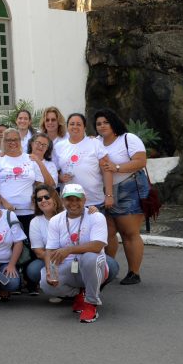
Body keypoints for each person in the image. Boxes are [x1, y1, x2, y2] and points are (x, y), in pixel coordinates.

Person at [41, 184, 113, 323]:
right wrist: (51, 271)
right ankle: (80, 293)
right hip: (69, 267)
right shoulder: (56, 220)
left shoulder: (96, 216)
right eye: (69, 199)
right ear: (62, 200)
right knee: (45, 283)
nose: (73, 203)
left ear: (84, 200)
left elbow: (98, 245)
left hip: (93, 266)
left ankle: (91, 303)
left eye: (77, 199)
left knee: (90, 258)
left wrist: (68, 249)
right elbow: (50, 250)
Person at [95, 108, 149, 285]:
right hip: (106, 190)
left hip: (129, 187)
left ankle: (134, 272)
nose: (102, 126)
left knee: (129, 232)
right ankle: (108, 270)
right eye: (98, 123)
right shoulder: (96, 142)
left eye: (105, 122)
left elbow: (141, 161)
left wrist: (116, 168)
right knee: (108, 232)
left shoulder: (128, 139)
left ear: (113, 123)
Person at [0, 129, 55, 235]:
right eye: (8, 140)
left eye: (15, 139)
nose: (12, 142)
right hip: (5, 212)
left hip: (29, 212)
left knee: (31, 246)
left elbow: (39, 184)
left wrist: (35, 196)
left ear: (20, 141)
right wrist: (4, 202)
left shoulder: (30, 159)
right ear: (4, 142)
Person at [55, 114, 113, 209]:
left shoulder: (95, 143)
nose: (75, 127)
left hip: (94, 201)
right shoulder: (59, 146)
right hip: (69, 202)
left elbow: (107, 170)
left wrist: (109, 195)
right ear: (67, 126)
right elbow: (55, 171)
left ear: (84, 127)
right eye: (72, 124)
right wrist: (60, 177)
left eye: (79, 124)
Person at [25, 183, 62, 294]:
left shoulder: (67, 214)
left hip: (71, 256)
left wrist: (93, 210)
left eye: (47, 197)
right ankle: (59, 290)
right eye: (39, 199)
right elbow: (39, 252)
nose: (43, 200)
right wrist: (53, 262)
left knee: (111, 265)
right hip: (50, 258)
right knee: (33, 270)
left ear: (54, 197)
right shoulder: (35, 222)